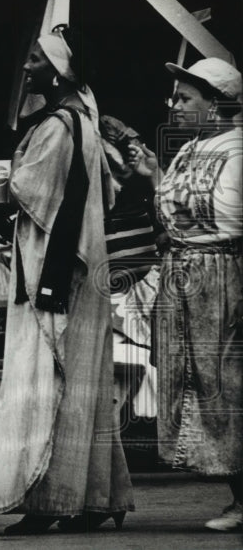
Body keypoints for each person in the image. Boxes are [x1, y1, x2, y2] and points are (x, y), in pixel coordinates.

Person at [0, 32, 134, 534]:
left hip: (54, 269)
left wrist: (3, 187)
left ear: (61, 72)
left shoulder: (57, 127)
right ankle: (96, 497)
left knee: (46, 383)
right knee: (84, 386)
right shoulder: (85, 121)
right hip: (83, 269)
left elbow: (30, 191)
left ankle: (46, 500)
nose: (26, 68)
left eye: (35, 60)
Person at [127, 57, 242, 532]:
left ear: (215, 104)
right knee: (201, 384)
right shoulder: (190, 149)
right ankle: (237, 496)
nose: (172, 105)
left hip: (224, 276)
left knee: (227, 383)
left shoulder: (238, 150)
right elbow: (174, 218)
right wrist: (155, 176)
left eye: (184, 98)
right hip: (184, 277)